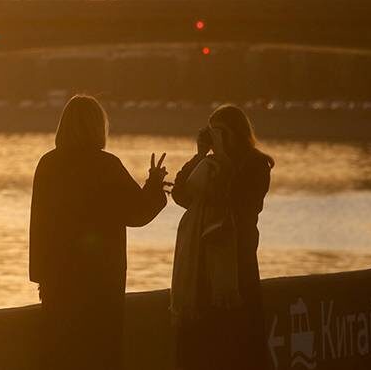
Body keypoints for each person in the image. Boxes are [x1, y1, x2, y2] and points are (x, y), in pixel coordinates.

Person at [29, 95, 169, 370]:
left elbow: (39, 225)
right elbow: (137, 213)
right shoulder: (106, 165)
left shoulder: (48, 164)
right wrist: (154, 184)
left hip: (58, 283)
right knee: (99, 355)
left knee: (61, 356)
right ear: (97, 127)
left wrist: (41, 277)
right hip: (100, 285)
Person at [171, 105, 274, 370]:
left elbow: (238, 201)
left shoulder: (256, 164)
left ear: (237, 134)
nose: (217, 139)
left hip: (238, 270)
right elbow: (181, 194)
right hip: (205, 272)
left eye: (222, 133)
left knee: (240, 349)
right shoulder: (209, 164)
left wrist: (223, 161)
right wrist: (199, 155)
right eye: (212, 132)